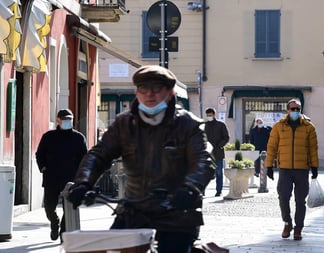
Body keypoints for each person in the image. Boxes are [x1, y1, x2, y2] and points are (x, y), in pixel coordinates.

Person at [67, 65, 216, 253]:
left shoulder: (188, 125)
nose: (149, 95)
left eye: (156, 89)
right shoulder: (124, 123)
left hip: (177, 211)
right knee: (111, 247)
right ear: (137, 93)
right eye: (144, 89)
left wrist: (190, 189)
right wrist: (83, 183)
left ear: (170, 93)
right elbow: (100, 153)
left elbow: (203, 160)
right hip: (134, 209)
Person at [265, 98, 319, 241]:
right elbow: (271, 147)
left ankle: (298, 228)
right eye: (292, 109)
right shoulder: (279, 126)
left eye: (298, 109)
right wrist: (269, 165)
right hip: (285, 169)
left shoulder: (309, 127)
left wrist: (314, 167)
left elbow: (313, 149)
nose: (295, 111)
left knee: (300, 200)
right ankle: (287, 223)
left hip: (302, 169)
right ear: (287, 110)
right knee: (283, 197)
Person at [35, 109, 87, 242]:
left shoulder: (79, 138)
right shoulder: (48, 137)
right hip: (51, 178)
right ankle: (54, 223)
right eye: (64, 119)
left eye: (69, 119)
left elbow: (84, 158)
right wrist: (43, 167)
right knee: (49, 207)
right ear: (58, 120)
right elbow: (39, 154)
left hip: (71, 180)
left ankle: (63, 232)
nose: (67, 122)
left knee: (68, 208)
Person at [204, 107, 230, 197]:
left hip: (218, 153)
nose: (209, 117)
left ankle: (219, 191)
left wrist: (220, 145)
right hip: (207, 154)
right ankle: (202, 191)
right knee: (205, 173)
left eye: (210, 115)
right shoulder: (204, 125)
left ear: (214, 115)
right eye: (207, 115)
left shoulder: (220, 125)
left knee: (219, 172)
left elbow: (226, 137)